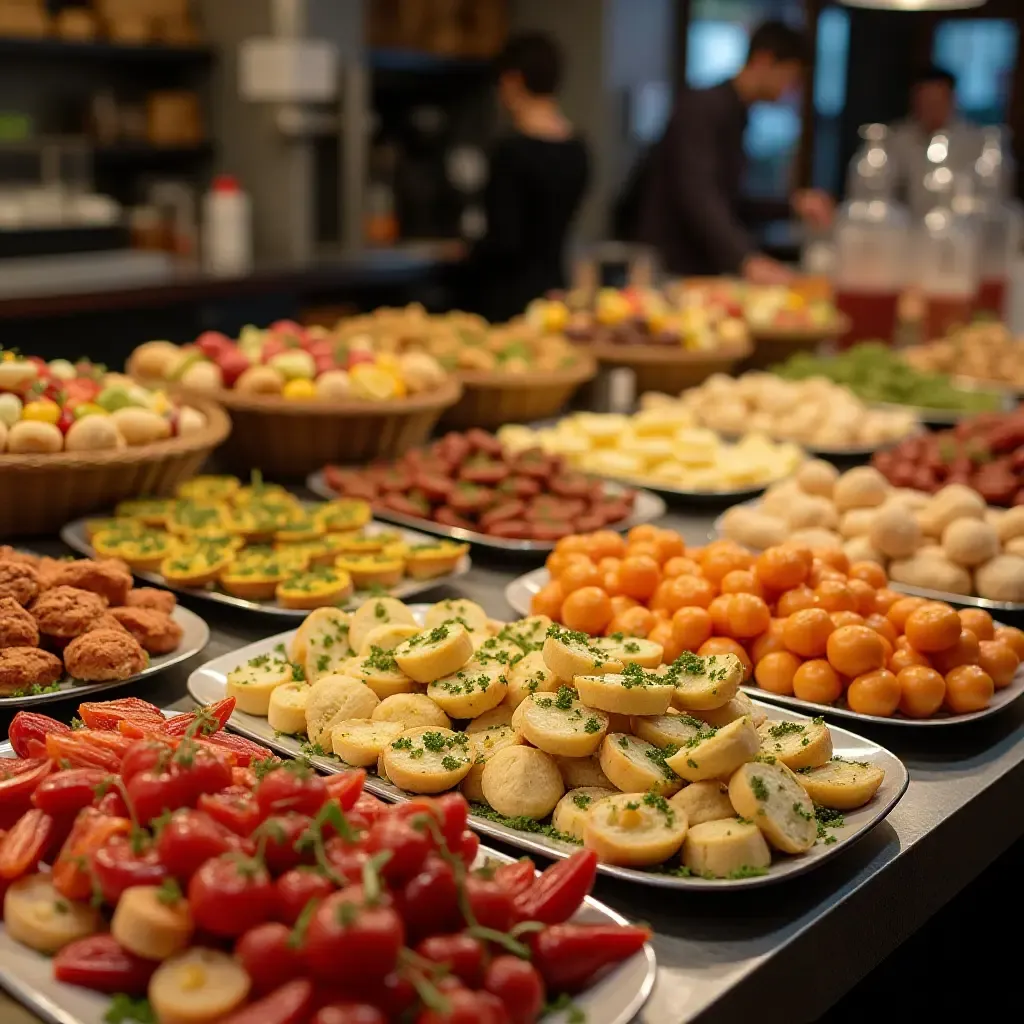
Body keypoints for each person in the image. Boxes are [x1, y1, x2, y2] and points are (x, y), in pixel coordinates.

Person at [638, 20, 832, 284]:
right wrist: (745, 259)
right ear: (765, 60)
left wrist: (792, 205)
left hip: (699, 268)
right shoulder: (703, 107)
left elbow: (730, 199)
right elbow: (698, 194)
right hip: (674, 268)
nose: (792, 89)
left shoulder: (736, 114)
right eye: (792, 77)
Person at [460, 32, 589, 322]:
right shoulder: (578, 148)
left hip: (507, 300)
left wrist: (467, 253)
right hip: (555, 291)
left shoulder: (512, 151)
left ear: (512, 81)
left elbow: (505, 240)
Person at [888, 65, 982, 217]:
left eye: (937, 101)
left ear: (952, 100)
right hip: (907, 226)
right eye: (926, 102)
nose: (931, 109)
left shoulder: (974, 142)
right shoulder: (897, 139)